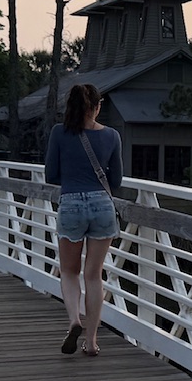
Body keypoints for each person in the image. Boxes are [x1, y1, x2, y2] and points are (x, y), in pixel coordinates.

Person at [44, 82, 123, 356]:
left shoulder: (59, 133)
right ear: (97, 106)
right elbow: (116, 181)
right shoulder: (112, 135)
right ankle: (91, 341)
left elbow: (50, 175)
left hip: (72, 203)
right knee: (93, 275)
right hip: (102, 206)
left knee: (69, 271)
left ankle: (74, 320)